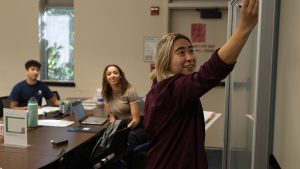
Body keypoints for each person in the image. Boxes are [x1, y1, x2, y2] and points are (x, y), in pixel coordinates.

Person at [144, 0, 259, 169]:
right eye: (181, 53)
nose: (190, 57)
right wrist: (244, 27)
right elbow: (211, 72)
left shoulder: (159, 85)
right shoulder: (172, 89)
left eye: (191, 50)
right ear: (165, 60)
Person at [102, 64, 149, 147]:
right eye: (109, 74)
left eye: (115, 73)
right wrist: (113, 126)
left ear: (120, 76)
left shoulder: (130, 90)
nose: (112, 76)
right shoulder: (106, 92)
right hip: (122, 124)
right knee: (105, 138)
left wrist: (122, 131)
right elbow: (110, 114)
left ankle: (125, 159)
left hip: (138, 125)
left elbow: (136, 120)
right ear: (106, 78)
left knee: (123, 140)